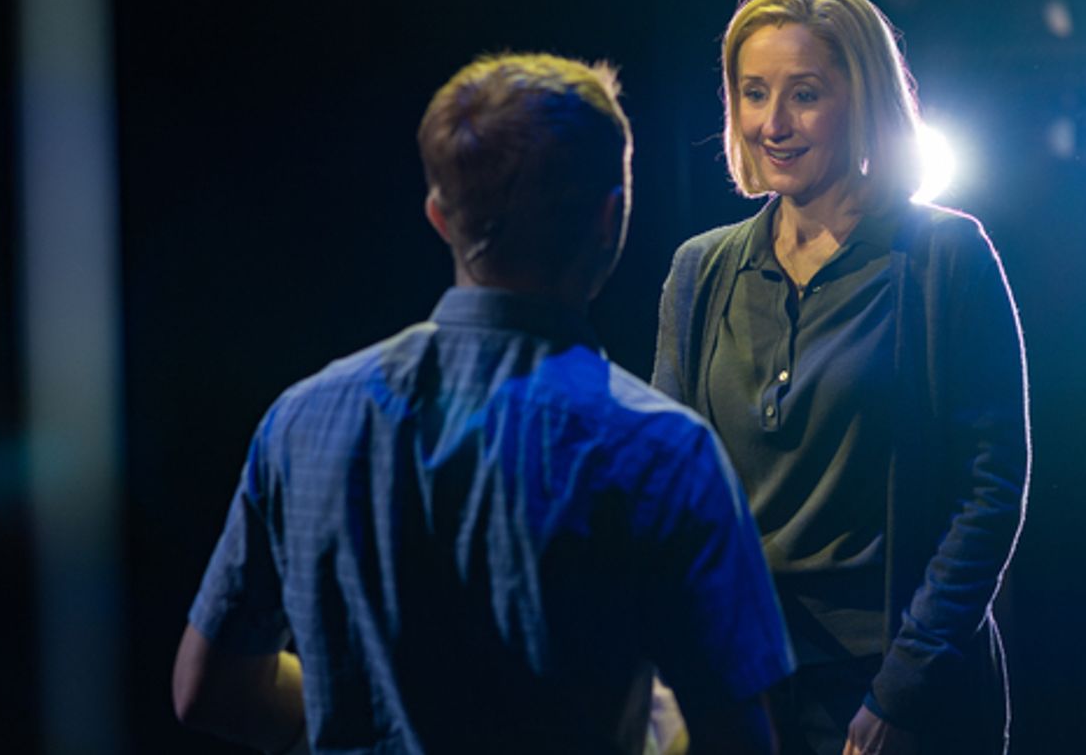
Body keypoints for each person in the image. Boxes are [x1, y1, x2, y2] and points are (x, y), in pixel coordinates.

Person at [173, 52, 796, 755]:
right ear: (610, 216)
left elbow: (206, 688)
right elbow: (740, 740)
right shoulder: (663, 451)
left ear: (440, 216)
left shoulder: (303, 418)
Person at [652, 0, 1030, 755]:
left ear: (865, 101)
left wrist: (903, 685)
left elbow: (990, 494)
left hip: (893, 689)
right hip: (744, 686)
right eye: (754, 93)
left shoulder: (945, 258)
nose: (774, 124)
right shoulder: (700, 271)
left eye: (806, 94)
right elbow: (670, 493)